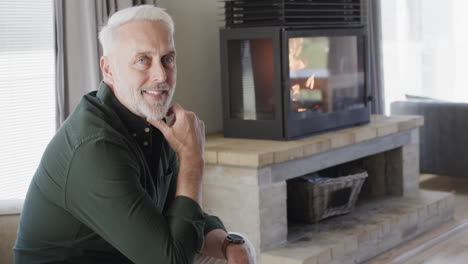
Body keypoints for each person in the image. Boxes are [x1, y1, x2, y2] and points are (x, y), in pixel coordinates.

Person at [14, 5, 255, 264]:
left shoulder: (151, 120)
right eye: (142, 60)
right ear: (108, 70)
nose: (161, 75)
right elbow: (170, 261)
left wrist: (231, 244)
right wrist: (192, 160)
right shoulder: (95, 149)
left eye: (168, 59)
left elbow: (183, 208)